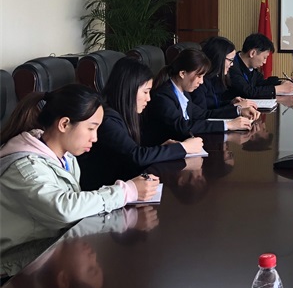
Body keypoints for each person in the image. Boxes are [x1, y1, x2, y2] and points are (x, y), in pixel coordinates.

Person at [0, 85, 160, 249]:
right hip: (18, 260)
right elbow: (64, 209)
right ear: (64, 124)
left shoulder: (67, 157)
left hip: (49, 246)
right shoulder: (26, 169)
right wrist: (126, 191)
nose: (95, 138)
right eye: (91, 128)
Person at [77, 57, 205, 191]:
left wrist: (161, 147)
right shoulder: (107, 119)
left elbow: (133, 149)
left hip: (121, 185)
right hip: (104, 192)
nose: (148, 98)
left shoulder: (125, 114)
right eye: (145, 92)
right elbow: (136, 156)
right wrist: (184, 147)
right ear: (129, 89)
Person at [141, 48, 255, 146]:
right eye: (199, 76)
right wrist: (228, 125)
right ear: (182, 73)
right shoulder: (163, 96)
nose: (201, 82)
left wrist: (238, 111)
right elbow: (183, 126)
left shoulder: (183, 93)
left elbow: (204, 114)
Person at [191, 36, 256, 111]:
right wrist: (235, 108)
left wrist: (231, 103)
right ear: (218, 58)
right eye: (230, 60)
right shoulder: (199, 82)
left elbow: (213, 105)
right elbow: (203, 114)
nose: (232, 64)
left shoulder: (214, 78)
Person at [228, 33, 293, 99]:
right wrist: (279, 89)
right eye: (264, 57)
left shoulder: (251, 67)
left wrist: (282, 83)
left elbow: (261, 83)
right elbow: (248, 92)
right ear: (252, 53)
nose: (265, 62)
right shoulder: (230, 66)